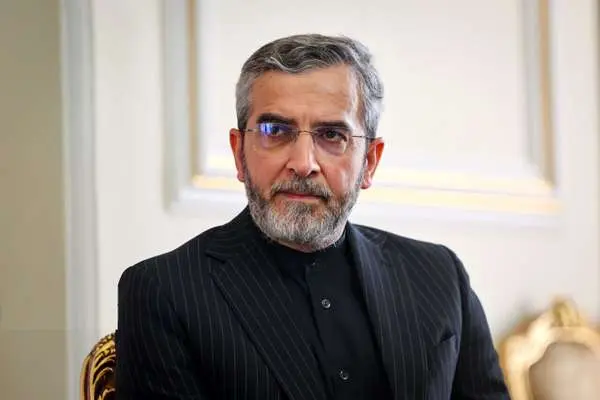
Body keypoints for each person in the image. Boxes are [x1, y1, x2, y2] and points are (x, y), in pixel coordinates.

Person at [115, 34, 510, 400]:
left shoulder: (440, 274)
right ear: (239, 153)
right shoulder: (163, 292)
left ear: (370, 162)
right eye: (275, 130)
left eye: (332, 135)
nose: (303, 164)